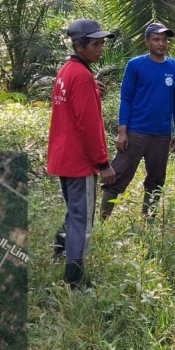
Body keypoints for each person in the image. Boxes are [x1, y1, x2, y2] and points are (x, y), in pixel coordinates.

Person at [47, 19, 117, 289]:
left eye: (102, 43)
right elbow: (88, 126)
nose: (101, 49)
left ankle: (59, 250)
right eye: (95, 44)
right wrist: (103, 164)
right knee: (82, 219)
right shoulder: (83, 76)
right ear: (79, 46)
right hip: (79, 160)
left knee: (75, 211)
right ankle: (74, 278)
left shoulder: (66, 71)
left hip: (62, 156)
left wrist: (92, 92)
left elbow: (70, 107)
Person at [100, 22, 175, 221]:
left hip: (161, 135)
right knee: (118, 174)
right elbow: (126, 98)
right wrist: (122, 132)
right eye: (156, 39)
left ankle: (149, 221)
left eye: (164, 40)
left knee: (156, 180)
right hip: (135, 132)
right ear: (147, 41)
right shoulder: (135, 65)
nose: (161, 43)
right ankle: (103, 220)